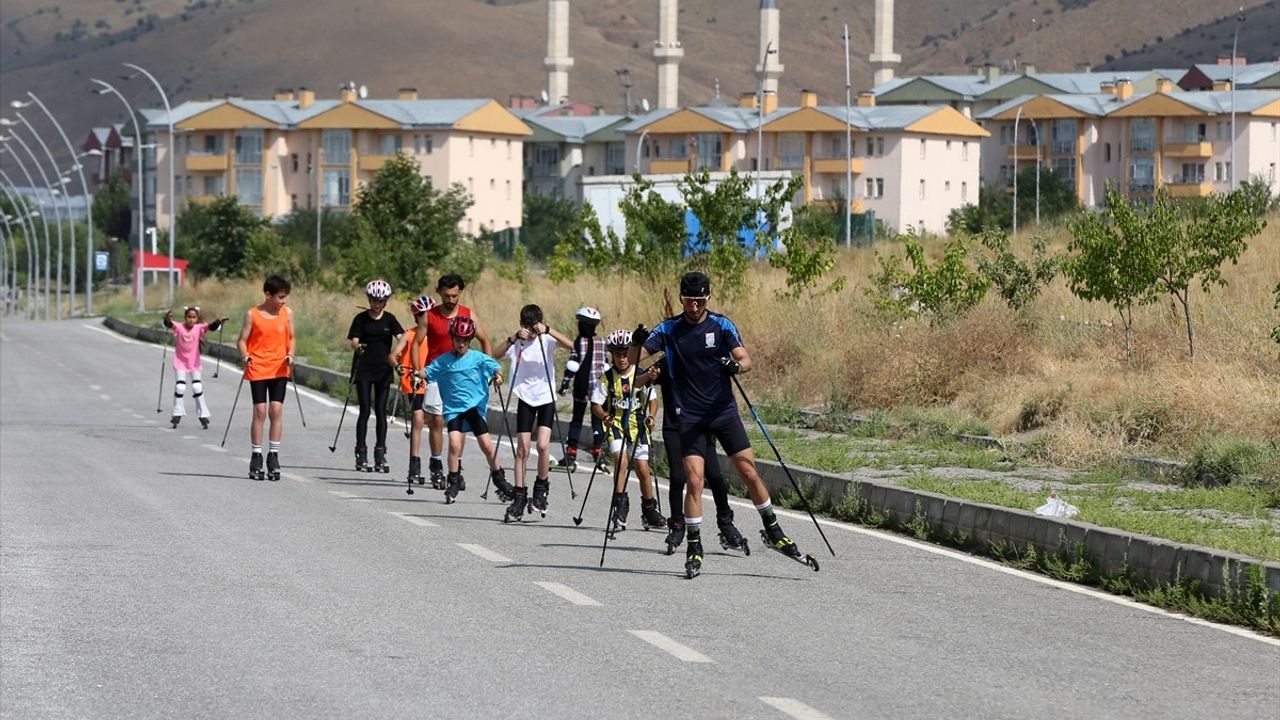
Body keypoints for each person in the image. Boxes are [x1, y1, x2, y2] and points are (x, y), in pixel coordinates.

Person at [634, 271, 806, 578]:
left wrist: (735, 365)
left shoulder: (722, 325)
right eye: (689, 300)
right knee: (695, 481)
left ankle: (773, 531)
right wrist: (636, 344)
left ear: (707, 299)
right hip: (690, 418)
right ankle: (694, 548)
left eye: (700, 301)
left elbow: (746, 360)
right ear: (682, 299)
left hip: (723, 413)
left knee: (749, 471)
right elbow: (635, 365)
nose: (695, 306)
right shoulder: (668, 329)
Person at [650, 289, 746, 555]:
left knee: (714, 475)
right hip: (673, 425)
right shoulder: (665, 358)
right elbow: (637, 377)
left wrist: (730, 366)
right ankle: (678, 526)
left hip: (697, 423)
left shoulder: (697, 353)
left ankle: (726, 523)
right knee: (680, 477)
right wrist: (650, 375)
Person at [416, 316, 512, 504]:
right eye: (458, 340)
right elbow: (428, 371)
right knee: (454, 444)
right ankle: (453, 480)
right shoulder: (444, 361)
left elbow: (495, 367)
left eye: (465, 341)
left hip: (474, 408)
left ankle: (500, 480)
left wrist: (498, 378)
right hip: (454, 411)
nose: (461, 344)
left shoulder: (478, 358)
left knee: (486, 445)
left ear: (470, 341)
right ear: (452, 339)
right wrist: (416, 374)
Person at [492, 304, 573, 521]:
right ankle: (519, 496)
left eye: (533, 326)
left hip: (546, 397)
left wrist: (548, 329)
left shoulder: (547, 340)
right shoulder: (518, 342)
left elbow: (572, 346)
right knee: (522, 450)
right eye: (527, 326)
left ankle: (541, 488)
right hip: (525, 398)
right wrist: (513, 338)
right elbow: (494, 357)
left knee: (544, 445)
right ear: (521, 325)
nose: (531, 331)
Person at [411, 273, 492, 489]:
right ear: (439, 293)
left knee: (460, 422)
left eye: (455, 295)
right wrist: (419, 369)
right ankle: (436, 464)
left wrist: (487, 370)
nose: (451, 300)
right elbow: (416, 343)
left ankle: (456, 468)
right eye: (447, 295)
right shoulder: (430, 316)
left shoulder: (468, 315)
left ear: (460, 293)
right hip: (437, 375)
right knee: (436, 420)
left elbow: (485, 341)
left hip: (463, 378)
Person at [592, 329, 666, 534]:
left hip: (638, 427)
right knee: (621, 460)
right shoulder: (607, 377)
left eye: (625, 354)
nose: (622, 358)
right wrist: (604, 416)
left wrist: (651, 417)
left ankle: (649, 510)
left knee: (642, 468)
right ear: (611, 355)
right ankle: (620, 506)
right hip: (616, 426)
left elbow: (653, 401)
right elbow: (596, 404)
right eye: (617, 354)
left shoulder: (641, 375)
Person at [236, 275, 295, 482]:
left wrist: (291, 354)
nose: (283, 301)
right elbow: (242, 341)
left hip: (280, 367)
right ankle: (256, 455)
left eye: (285, 297)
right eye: (280, 297)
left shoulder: (286, 313)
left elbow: (292, 337)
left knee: (276, 409)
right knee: (260, 411)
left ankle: (273, 455)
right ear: (268, 295)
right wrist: (245, 356)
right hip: (258, 367)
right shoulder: (252, 314)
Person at [347, 279, 404, 473]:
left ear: (386, 301)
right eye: (373, 300)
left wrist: (398, 353)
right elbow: (353, 341)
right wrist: (358, 346)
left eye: (380, 301)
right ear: (369, 299)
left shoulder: (390, 319)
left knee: (381, 411)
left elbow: (402, 337)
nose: (377, 304)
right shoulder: (361, 319)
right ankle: (360, 452)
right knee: (364, 410)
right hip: (364, 368)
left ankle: (380, 453)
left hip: (383, 369)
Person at [390, 294, 435, 489]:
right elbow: (393, 355)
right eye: (423, 314)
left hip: (434, 382)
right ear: (416, 316)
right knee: (418, 421)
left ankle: (438, 465)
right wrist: (397, 365)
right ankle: (414, 465)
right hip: (415, 382)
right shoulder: (409, 334)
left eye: (429, 314)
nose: (426, 318)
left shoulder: (438, 336)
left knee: (436, 422)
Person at [557, 306, 607, 471]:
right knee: (597, 420)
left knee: (577, 419)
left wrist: (565, 383)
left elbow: (572, 364)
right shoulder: (602, 342)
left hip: (581, 386)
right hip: (598, 389)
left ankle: (571, 452)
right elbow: (605, 365)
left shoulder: (579, 342)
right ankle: (598, 451)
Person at [163, 305, 228, 430]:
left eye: (194, 317)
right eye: (189, 317)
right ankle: (177, 413)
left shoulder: (199, 328)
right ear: (185, 317)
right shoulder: (180, 327)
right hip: (180, 361)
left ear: (197, 318)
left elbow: (211, 327)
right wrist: (166, 319)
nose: (191, 320)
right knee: (180, 387)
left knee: (197, 386)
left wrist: (218, 321)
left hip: (194, 363)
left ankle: (203, 414)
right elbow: (169, 325)